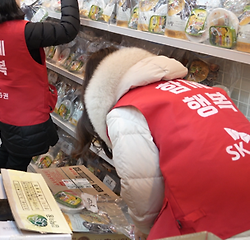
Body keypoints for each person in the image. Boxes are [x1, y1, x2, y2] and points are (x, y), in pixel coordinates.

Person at [74, 47, 250, 240]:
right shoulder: (199, 88)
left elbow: (141, 187)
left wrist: (143, 227)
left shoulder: (126, 111)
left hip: (215, 215)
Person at [0, 0, 79, 174]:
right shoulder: (25, 32)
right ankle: (1, 203)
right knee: (16, 167)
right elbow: (68, 30)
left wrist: (35, 0)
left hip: (3, 107)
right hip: (25, 115)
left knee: (8, 150)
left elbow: (14, 24)